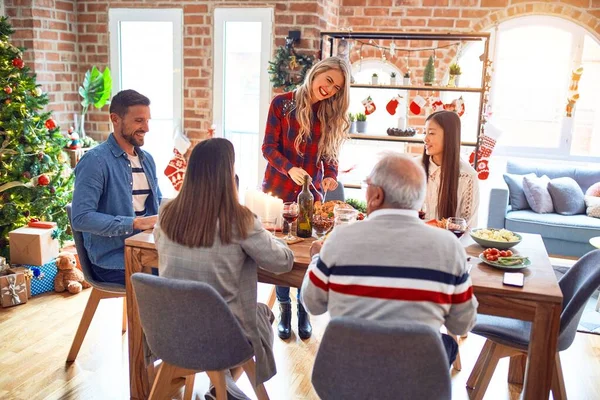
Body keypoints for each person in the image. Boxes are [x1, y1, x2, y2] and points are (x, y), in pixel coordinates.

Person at [300, 153, 478, 366]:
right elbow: (462, 324)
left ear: (376, 195)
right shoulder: (449, 247)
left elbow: (312, 304)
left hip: (343, 380)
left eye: (367, 185)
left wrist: (316, 258)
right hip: (419, 382)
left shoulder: (339, 239)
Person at [154, 138, 294, 400]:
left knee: (244, 313)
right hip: (220, 338)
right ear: (228, 174)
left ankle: (223, 386)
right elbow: (282, 262)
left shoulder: (166, 213)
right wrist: (273, 236)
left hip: (171, 331)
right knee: (262, 313)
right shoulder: (239, 220)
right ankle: (224, 387)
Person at [261, 56, 351, 340]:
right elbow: (268, 147)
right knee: (278, 251)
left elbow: (329, 154)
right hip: (277, 190)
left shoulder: (328, 115)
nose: (330, 89)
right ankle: (285, 309)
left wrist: (331, 173)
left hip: (310, 196)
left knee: (304, 253)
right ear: (317, 73)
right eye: (329, 81)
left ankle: (303, 309)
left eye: (337, 88)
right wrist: (289, 168)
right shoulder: (282, 104)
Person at [71, 89, 161, 285]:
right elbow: (80, 218)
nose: (146, 128)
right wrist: (134, 223)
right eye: (139, 121)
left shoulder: (147, 160)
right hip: (113, 261)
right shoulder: (95, 161)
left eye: (148, 120)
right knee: (174, 280)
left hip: (146, 250)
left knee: (192, 268)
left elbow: (158, 204)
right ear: (115, 119)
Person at [419, 110, 480, 227]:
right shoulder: (415, 168)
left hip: (449, 242)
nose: (425, 139)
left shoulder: (467, 176)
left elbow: (468, 226)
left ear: (449, 136)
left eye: (431, 133)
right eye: (424, 133)